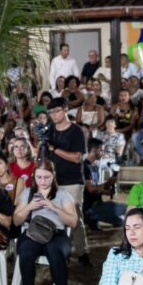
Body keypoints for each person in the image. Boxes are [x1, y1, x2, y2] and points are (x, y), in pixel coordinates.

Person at [12, 160, 78, 285]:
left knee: (56, 255)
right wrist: (29, 207)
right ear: (34, 176)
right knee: (26, 253)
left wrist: (53, 208)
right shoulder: (28, 193)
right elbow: (16, 221)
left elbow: (73, 222)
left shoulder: (63, 194)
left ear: (53, 176)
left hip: (56, 234)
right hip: (34, 232)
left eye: (47, 177)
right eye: (39, 177)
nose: (43, 181)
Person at [45, 97, 88, 262]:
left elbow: (77, 158)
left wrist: (54, 149)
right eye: (51, 112)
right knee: (54, 216)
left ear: (65, 110)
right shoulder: (49, 130)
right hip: (53, 181)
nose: (54, 115)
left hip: (72, 180)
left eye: (56, 111)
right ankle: (61, 249)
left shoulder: (76, 131)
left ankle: (82, 251)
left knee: (75, 217)